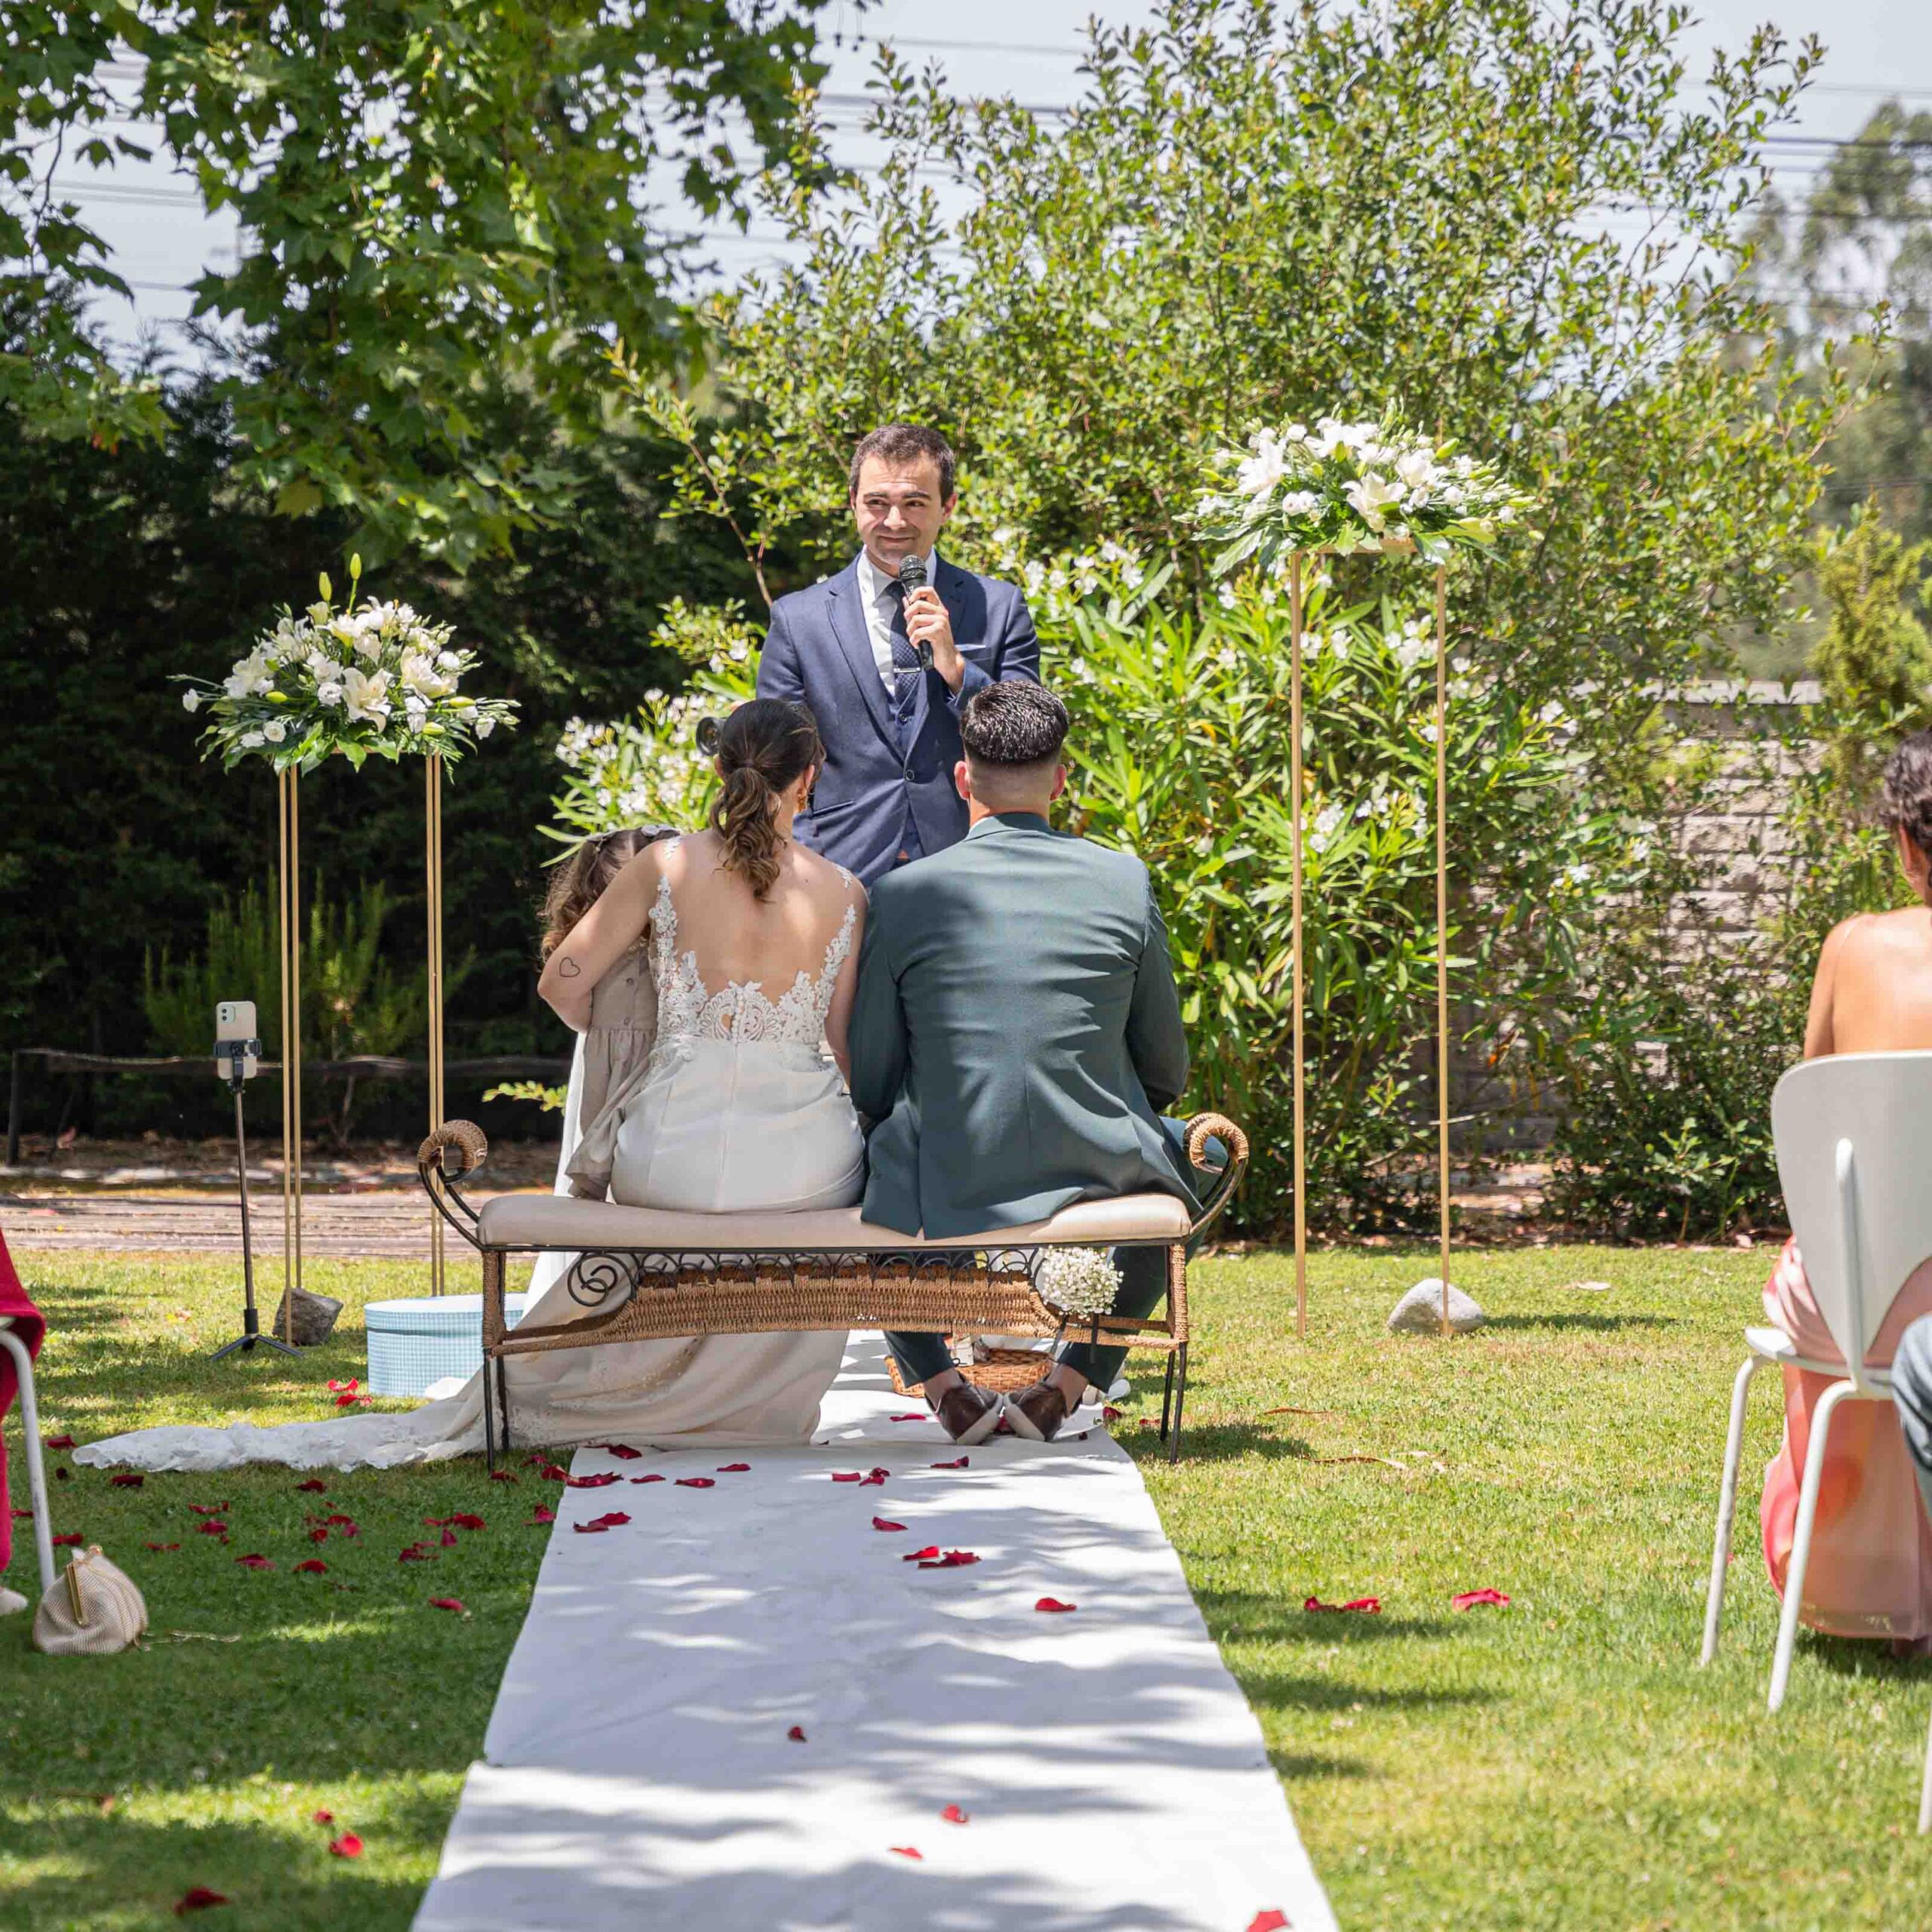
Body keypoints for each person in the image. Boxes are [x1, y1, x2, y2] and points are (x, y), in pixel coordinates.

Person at [75, 701, 868, 1473]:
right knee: (812, 1187)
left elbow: (561, 982)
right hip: (801, 1167)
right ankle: (749, 1404)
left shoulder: (662, 866)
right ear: (809, 779)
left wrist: (650, 1033)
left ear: (719, 769)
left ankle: (652, 1391)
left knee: (685, 1189)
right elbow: (842, 1045)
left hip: (672, 1158)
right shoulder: (845, 892)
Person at [848, 681, 1198, 1445]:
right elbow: (1165, 1064)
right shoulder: (1124, 881)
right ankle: (1066, 1386)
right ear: (1061, 780)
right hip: (1097, 1156)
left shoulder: (900, 894)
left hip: (946, 1160)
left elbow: (871, 1073)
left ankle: (943, 1387)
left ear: (961, 778)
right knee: (1196, 1164)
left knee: (864, 1169)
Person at [1761, 731, 1932, 1641]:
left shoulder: (1851, 946)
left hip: (1851, 1307)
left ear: (1904, 842)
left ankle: (1862, 1579)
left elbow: (1815, 1123)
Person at [754, 423, 1039, 884]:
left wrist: (957, 670)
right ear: (853, 502)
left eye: (914, 503)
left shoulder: (1000, 608)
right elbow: (774, 761)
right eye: (876, 503)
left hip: (968, 864)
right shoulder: (797, 620)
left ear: (948, 506)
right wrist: (804, 854)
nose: (894, 522)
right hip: (837, 870)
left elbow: (1029, 742)